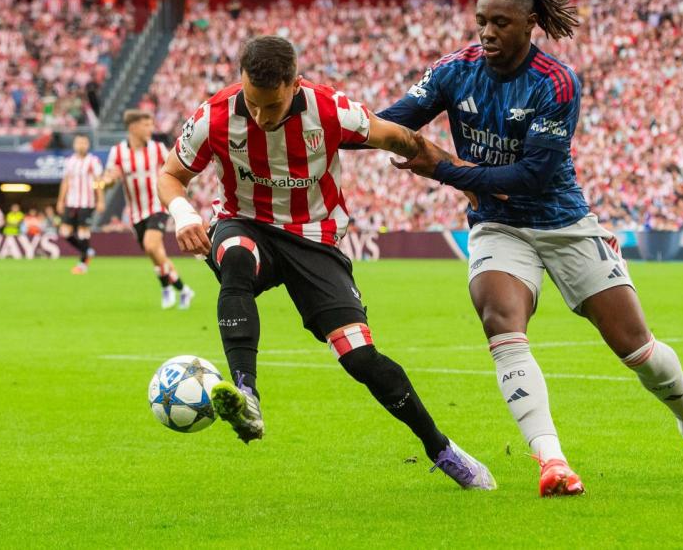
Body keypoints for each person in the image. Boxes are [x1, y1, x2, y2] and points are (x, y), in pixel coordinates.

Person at [381, 0, 683, 496]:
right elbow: (388, 122)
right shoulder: (455, 71)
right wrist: (326, 121)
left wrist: (444, 168)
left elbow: (532, 177)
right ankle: (552, 462)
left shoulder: (556, 81)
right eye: (481, 20)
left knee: (636, 348)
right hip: (499, 228)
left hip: (562, 222)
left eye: (500, 22)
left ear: (531, 24)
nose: (487, 32)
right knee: (500, 320)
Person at [156, 35, 495, 490]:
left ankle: (442, 449)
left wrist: (463, 179)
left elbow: (403, 139)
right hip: (244, 224)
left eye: (271, 107)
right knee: (235, 255)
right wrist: (184, 214)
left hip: (314, 240)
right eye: (252, 104)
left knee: (362, 359)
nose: (260, 116)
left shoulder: (331, 110)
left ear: (295, 85)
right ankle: (246, 393)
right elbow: (171, 175)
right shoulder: (213, 117)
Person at [101, 109, 195, 310]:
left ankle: (165, 287)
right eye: (146, 125)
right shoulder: (117, 152)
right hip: (135, 212)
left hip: (157, 205)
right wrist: (107, 181)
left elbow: (173, 171)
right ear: (133, 127)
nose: (151, 129)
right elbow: (111, 176)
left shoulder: (158, 149)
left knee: (152, 246)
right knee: (156, 253)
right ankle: (183, 289)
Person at [56, 134, 104, 274]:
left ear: (88, 145)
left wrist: (100, 200)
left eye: (84, 143)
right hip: (71, 202)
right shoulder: (69, 161)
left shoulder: (93, 161)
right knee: (64, 232)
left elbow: (98, 181)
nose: (81, 145)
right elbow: (65, 182)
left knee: (83, 231)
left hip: (86, 202)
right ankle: (87, 251)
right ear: (74, 145)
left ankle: (82, 263)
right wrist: (60, 200)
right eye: (79, 143)